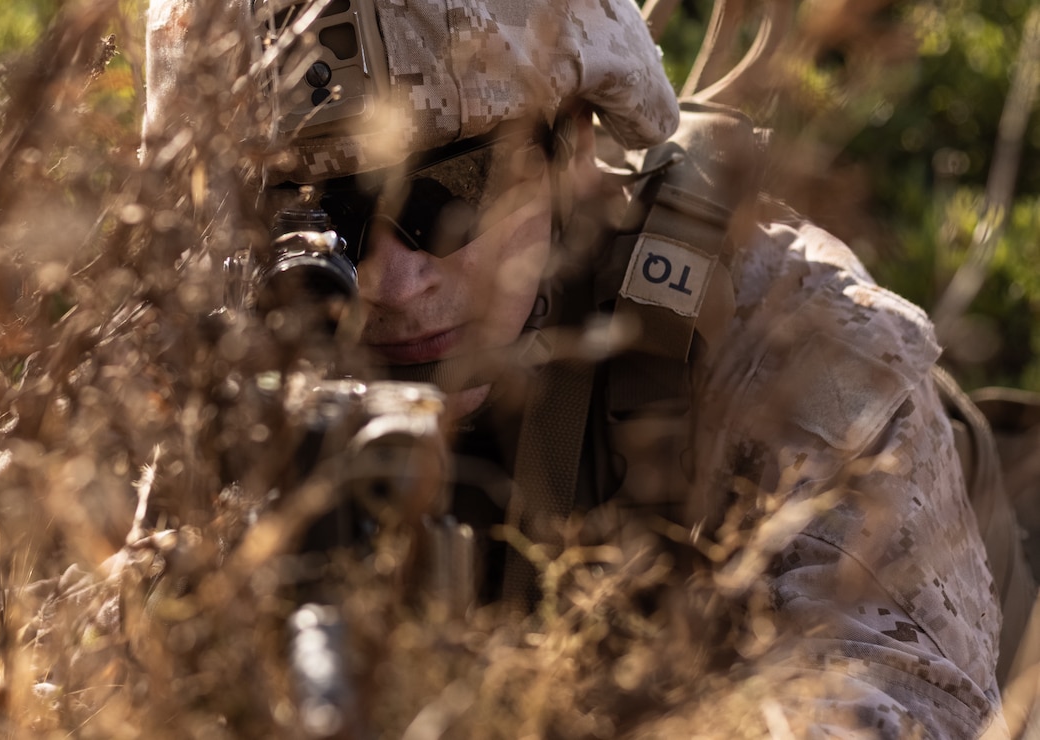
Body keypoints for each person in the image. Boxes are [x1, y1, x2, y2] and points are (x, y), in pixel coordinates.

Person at [143, 0, 1008, 736]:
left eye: (448, 190)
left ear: (576, 146)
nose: (391, 283)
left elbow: (896, 703)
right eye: (309, 217)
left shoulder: (789, 336)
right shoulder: (209, 366)